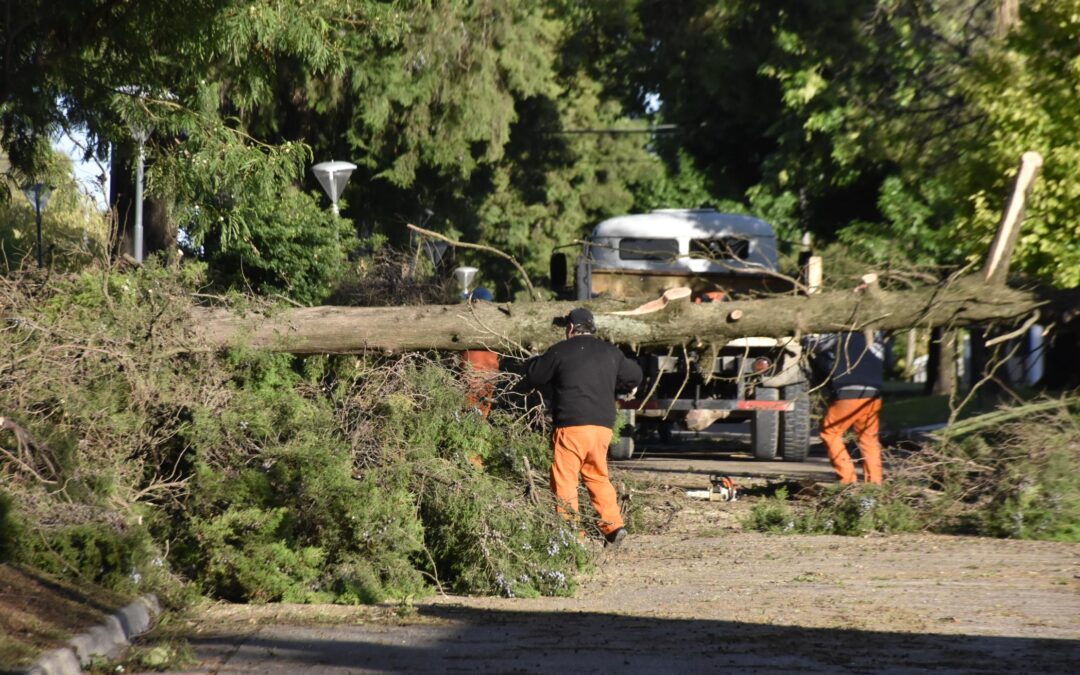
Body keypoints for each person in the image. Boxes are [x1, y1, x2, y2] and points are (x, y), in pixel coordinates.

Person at [522, 307, 643, 546]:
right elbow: (635, 375)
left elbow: (535, 375)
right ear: (592, 328)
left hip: (571, 426)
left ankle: (569, 533)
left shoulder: (560, 351)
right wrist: (621, 385)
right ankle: (613, 526)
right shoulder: (611, 352)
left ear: (570, 329)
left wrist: (534, 358)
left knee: (565, 478)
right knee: (597, 476)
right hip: (601, 428)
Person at [808, 331, 886, 484]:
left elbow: (816, 346)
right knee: (868, 437)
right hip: (873, 393)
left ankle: (847, 480)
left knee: (829, 432)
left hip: (849, 391)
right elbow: (886, 360)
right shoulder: (875, 336)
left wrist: (806, 338)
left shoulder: (840, 334)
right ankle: (875, 483)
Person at [460, 288, 499, 416]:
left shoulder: (468, 323)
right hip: (490, 376)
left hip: (472, 377)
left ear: (475, 303)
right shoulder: (497, 324)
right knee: (480, 417)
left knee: (467, 418)